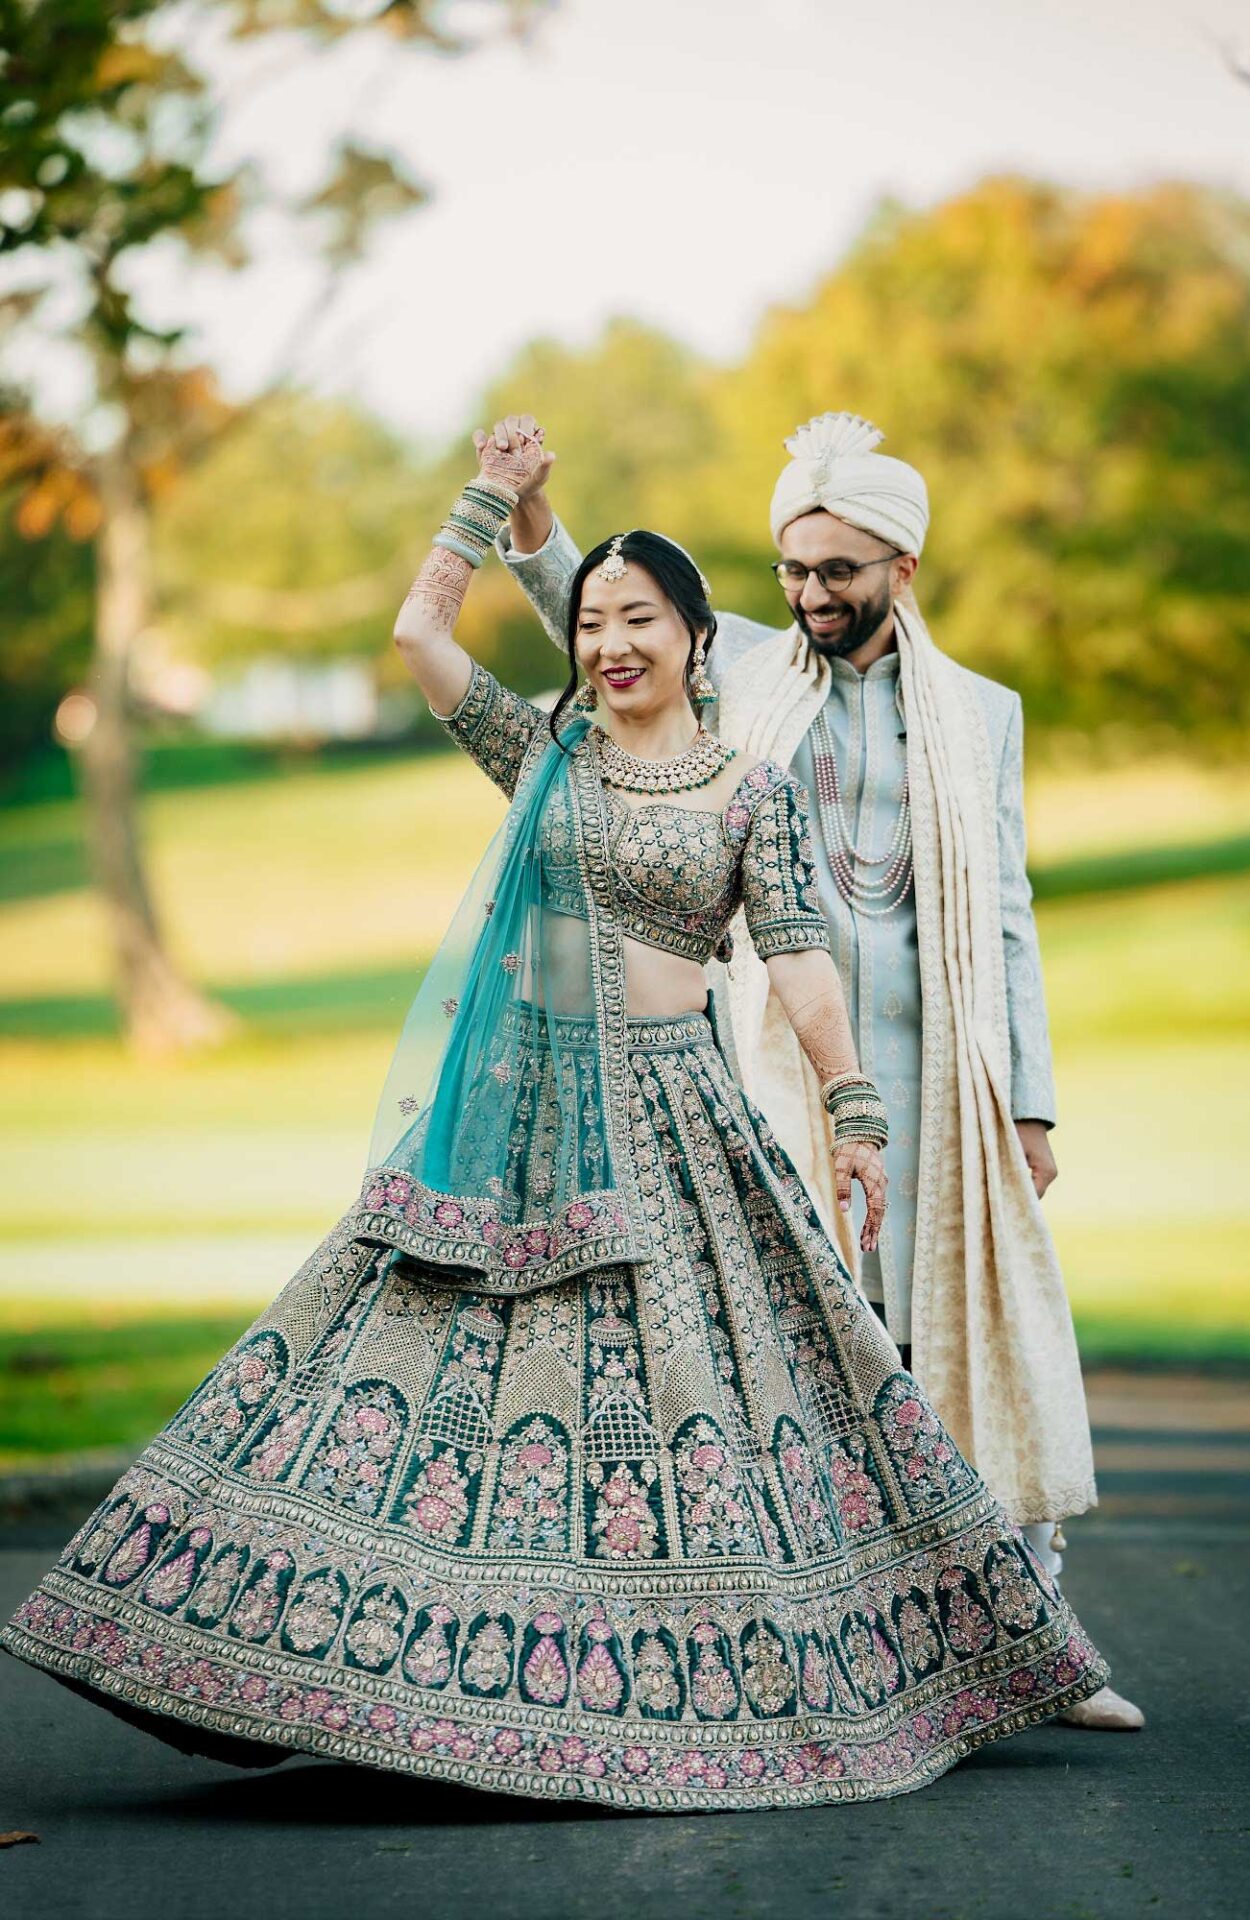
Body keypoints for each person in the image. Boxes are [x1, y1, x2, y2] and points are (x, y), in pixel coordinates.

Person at [0, 436, 1110, 1809]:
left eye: (638, 620)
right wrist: (487, 505)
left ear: (703, 642)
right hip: (524, 1122)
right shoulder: (542, 756)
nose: (610, 643)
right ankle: (345, 1667)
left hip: (687, 1117)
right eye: (590, 623)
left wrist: (853, 1106)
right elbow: (419, 630)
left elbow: (805, 954)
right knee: (414, 1378)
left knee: (745, 1399)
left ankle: (784, 1670)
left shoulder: (747, 791)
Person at [493, 409, 1143, 1732]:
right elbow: (604, 612)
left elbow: (1007, 909)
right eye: (792, 570)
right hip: (770, 1065)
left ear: (904, 567)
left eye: (837, 572)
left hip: (941, 1070)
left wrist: (1029, 1102)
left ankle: (1034, 1639)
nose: (809, 596)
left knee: (969, 1341)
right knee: (806, 1350)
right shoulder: (740, 671)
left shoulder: (982, 715)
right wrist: (528, 517)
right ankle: (825, 1645)